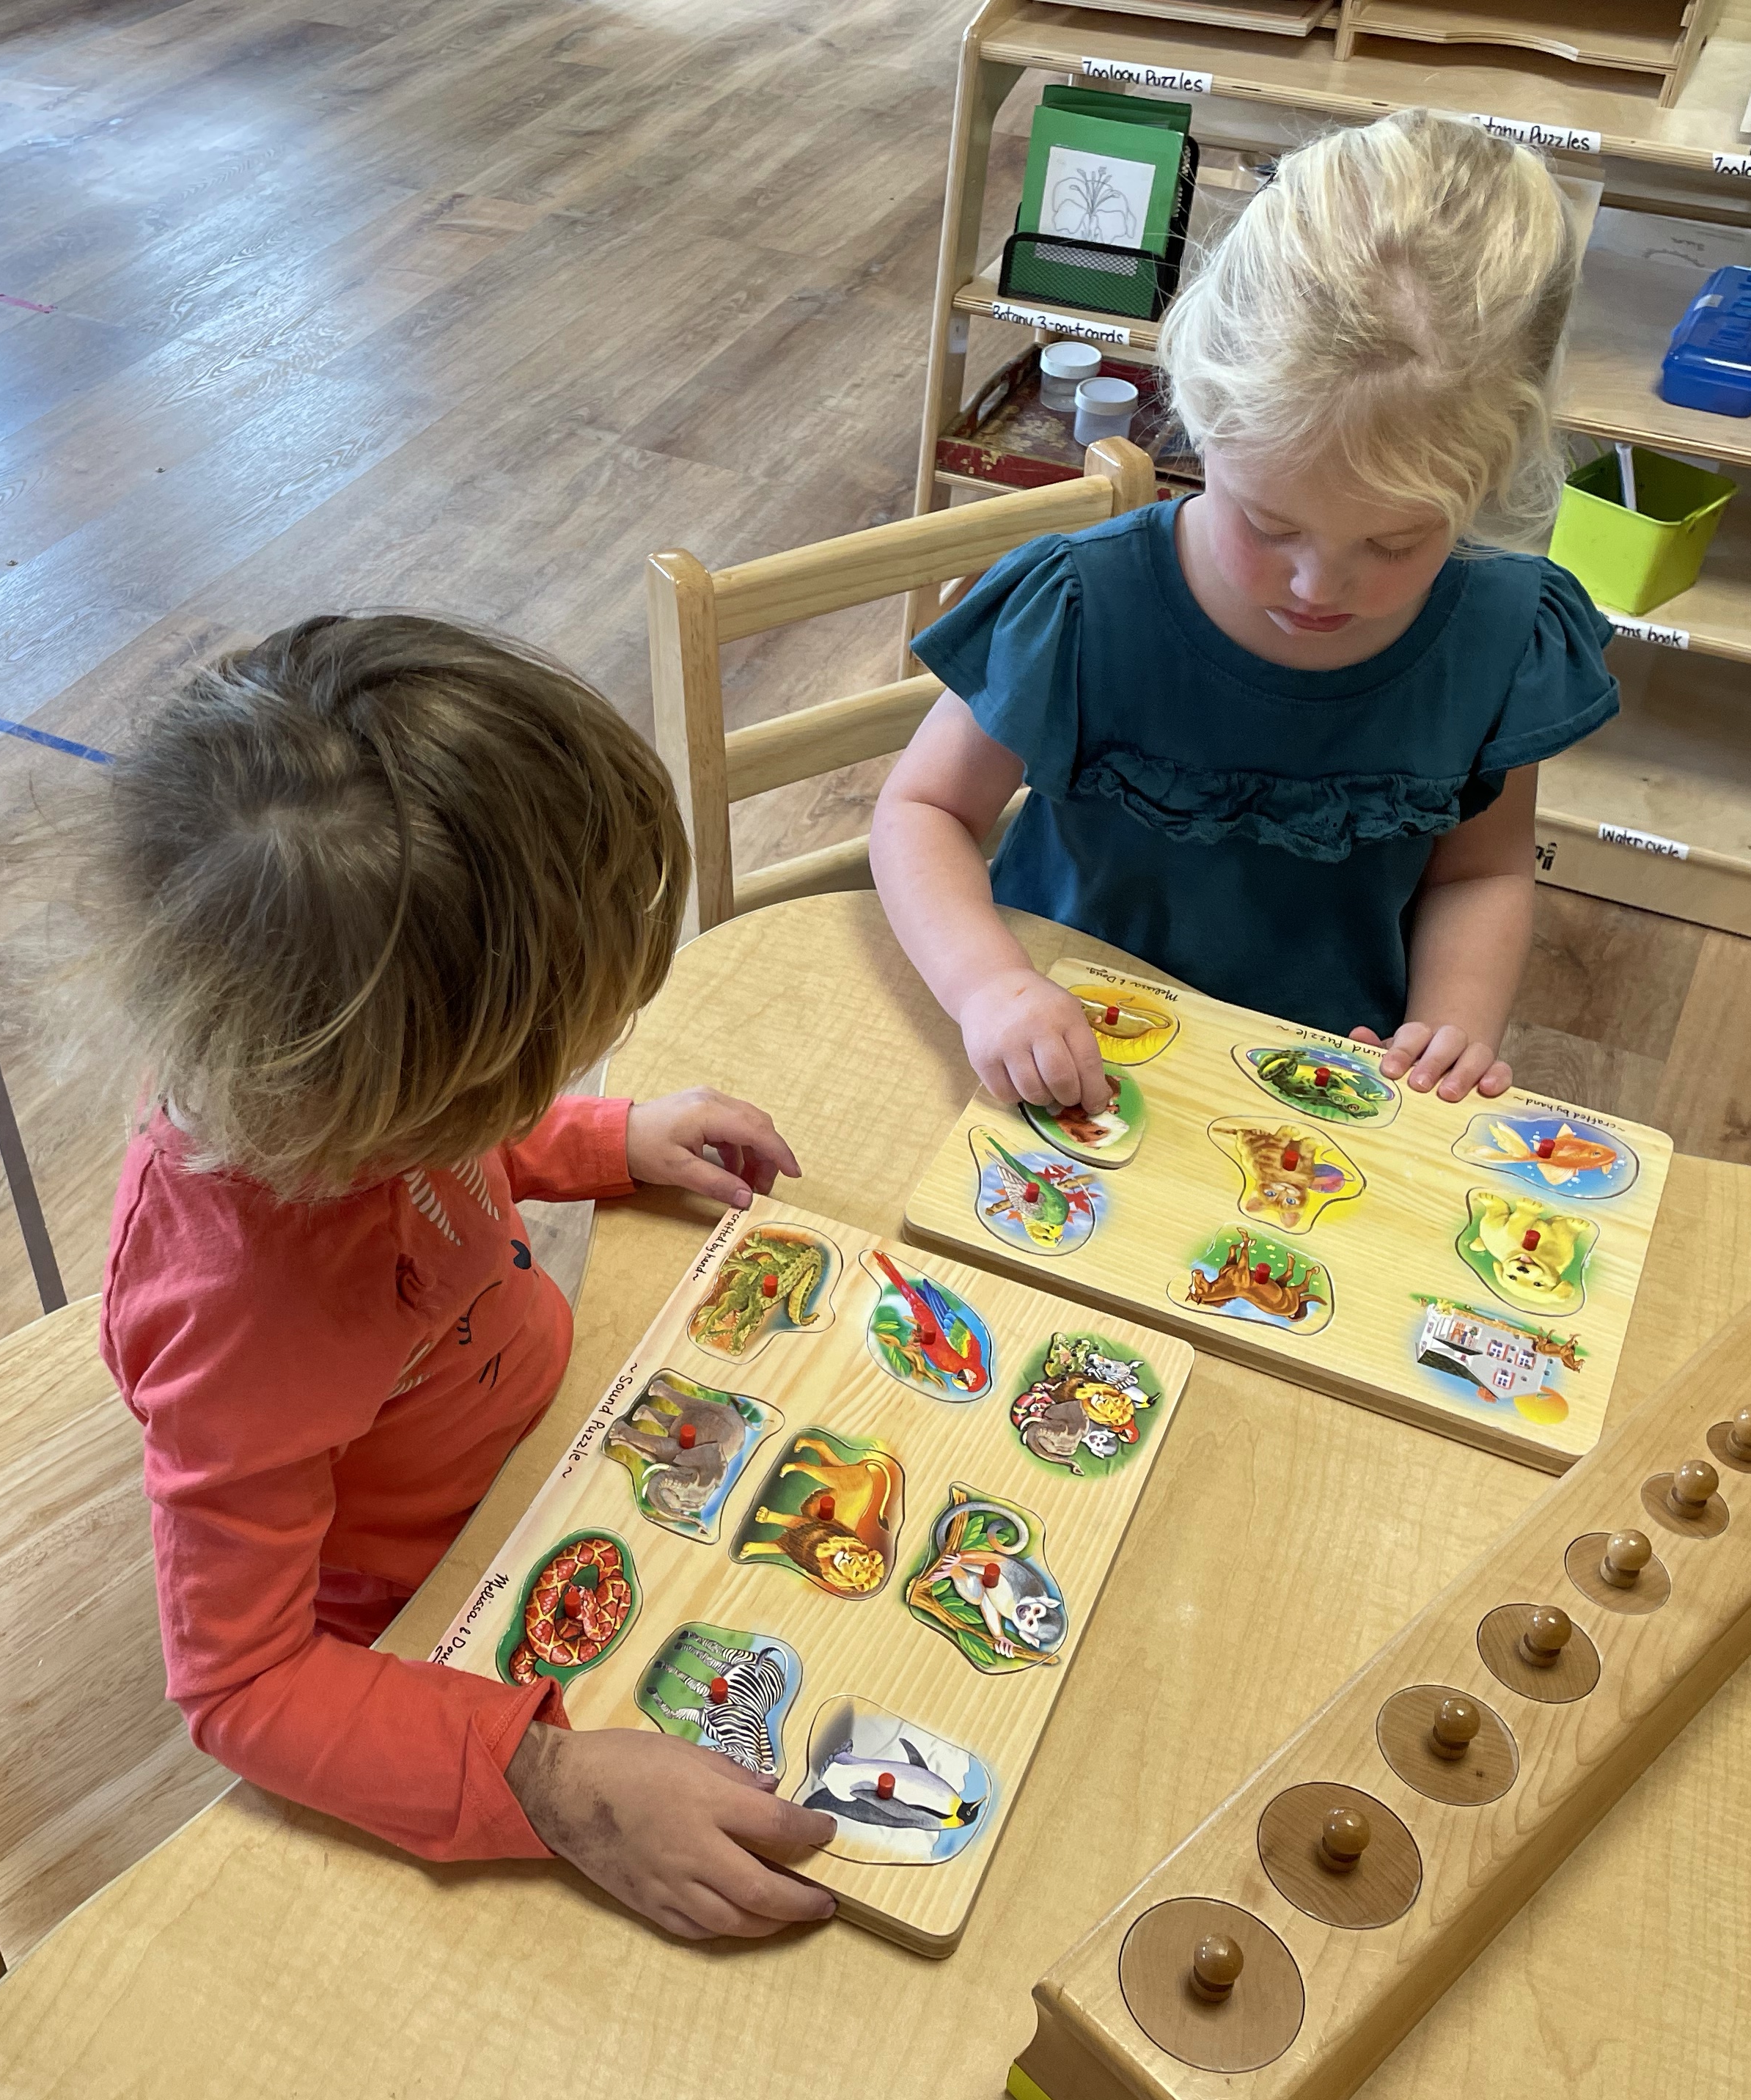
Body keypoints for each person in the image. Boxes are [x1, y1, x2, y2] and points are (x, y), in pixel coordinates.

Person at [95, 613, 839, 1941]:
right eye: (531, 1072)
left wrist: (604, 1138)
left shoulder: (322, 1072)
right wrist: (552, 1786)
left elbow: (462, 1149)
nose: (549, 1090)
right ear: (391, 1104)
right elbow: (242, 1687)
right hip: (435, 1602)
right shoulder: (244, 1320)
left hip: (560, 1452)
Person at [873, 108, 1618, 1113]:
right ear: (1200, 414)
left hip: (1325, 1078)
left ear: (1490, 478)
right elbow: (923, 811)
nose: (1317, 587)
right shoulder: (1085, 605)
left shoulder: (1500, 637)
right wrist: (987, 987)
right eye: (1269, 524)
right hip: (1066, 1050)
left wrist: (1453, 1024)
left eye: (1395, 544)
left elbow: (1480, 873)